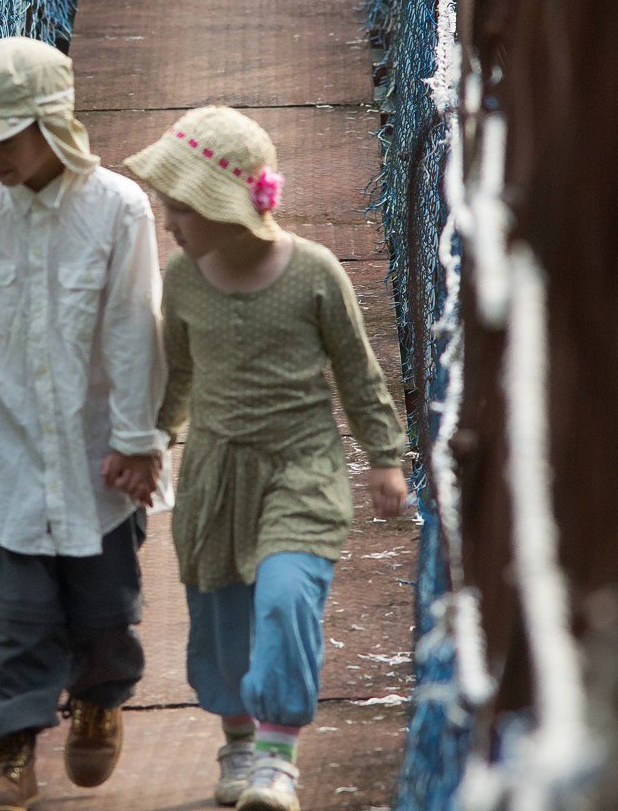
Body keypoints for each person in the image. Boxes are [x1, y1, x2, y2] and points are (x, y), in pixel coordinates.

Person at [0, 35, 169, 811]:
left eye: (0, 135)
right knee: (13, 618)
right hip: (11, 457)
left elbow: (134, 331)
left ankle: (98, 700)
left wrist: (136, 438)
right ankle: (10, 753)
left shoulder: (118, 209)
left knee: (103, 612)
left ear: (51, 125)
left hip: (100, 462)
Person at [122, 105, 409, 811]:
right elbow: (180, 374)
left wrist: (384, 457)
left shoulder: (312, 272)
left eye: (181, 207)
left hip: (299, 468)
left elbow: (356, 370)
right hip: (215, 474)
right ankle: (240, 742)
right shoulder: (183, 282)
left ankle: (277, 758)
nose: (169, 222)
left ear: (228, 206)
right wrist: (153, 439)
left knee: (285, 598)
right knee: (220, 618)